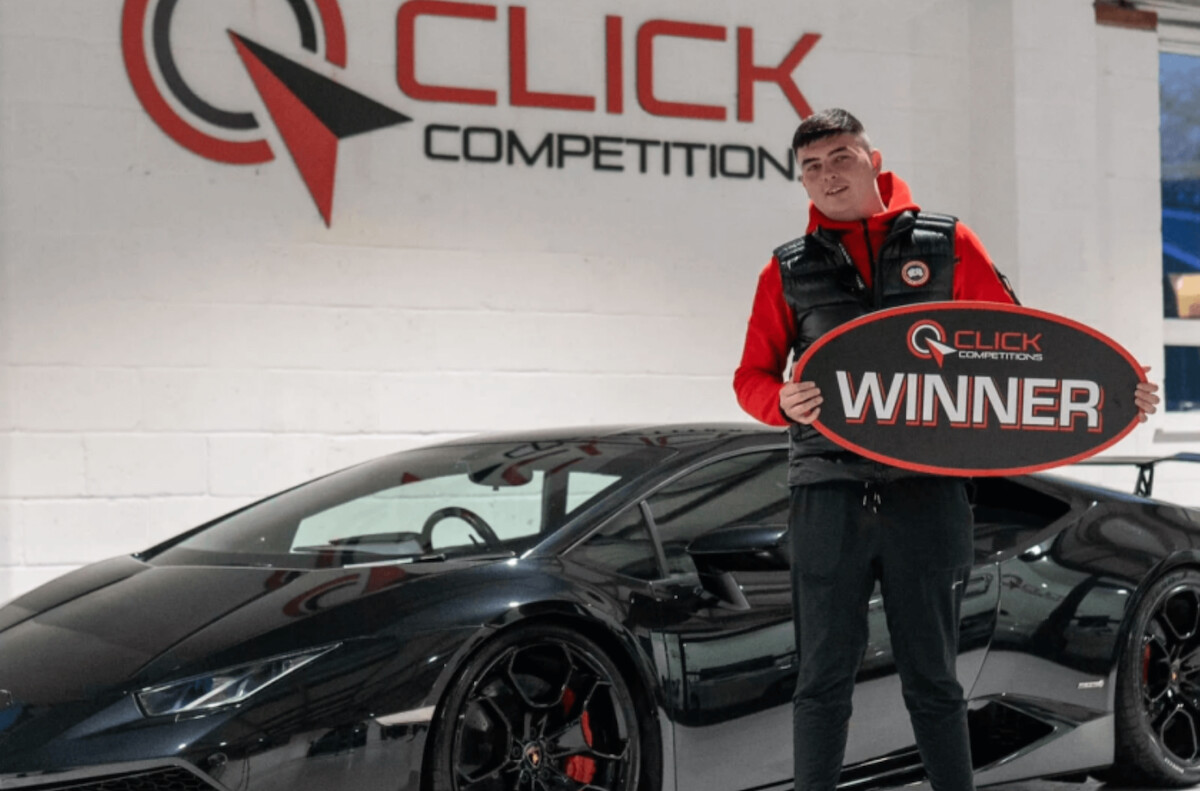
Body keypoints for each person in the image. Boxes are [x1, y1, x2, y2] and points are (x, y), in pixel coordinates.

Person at [732, 108, 1160, 791]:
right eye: (811, 167)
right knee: (820, 681)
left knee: (933, 679)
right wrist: (779, 399)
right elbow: (750, 376)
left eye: (840, 158)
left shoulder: (947, 242)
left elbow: (1023, 350)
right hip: (827, 493)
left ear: (873, 161)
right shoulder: (785, 270)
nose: (827, 175)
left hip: (927, 494)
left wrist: (1115, 392)